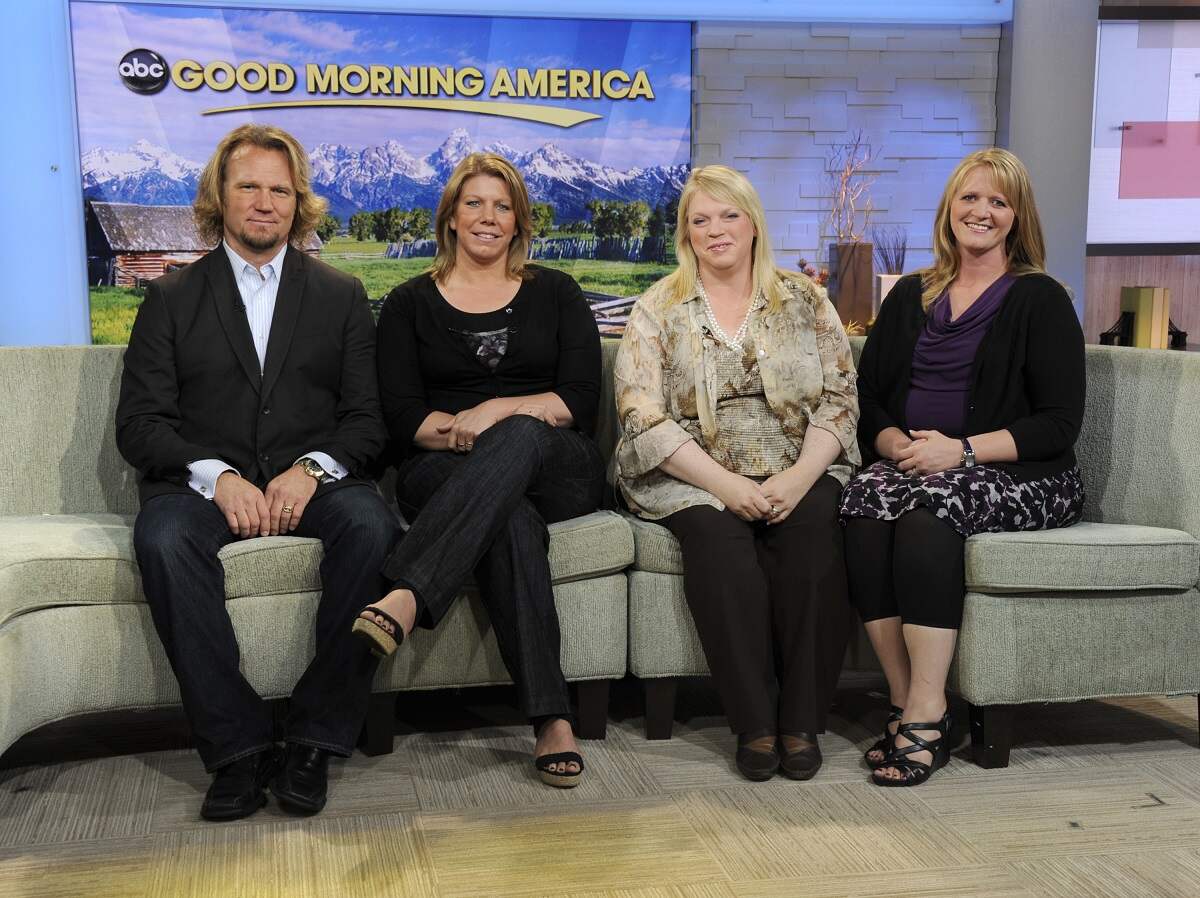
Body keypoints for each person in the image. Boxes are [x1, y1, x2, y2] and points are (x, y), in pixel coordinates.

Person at [116, 124, 399, 821]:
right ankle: (237, 749)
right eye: (249, 186)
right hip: (204, 490)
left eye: (281, 189)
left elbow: (368, 421)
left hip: (316, 483)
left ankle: (314, 738)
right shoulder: (170, 298)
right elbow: (141, 426)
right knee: (161, 539)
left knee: (371, 526)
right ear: (221, 195)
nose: (265, 202)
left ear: (298, 202)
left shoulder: (340, 294)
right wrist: (217, 475)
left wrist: (309, 469)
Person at [355, 152, 604, 789]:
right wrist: (469, 435)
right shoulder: (409, 304)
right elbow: (405, 416)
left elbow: (577, 400)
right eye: (475, 204)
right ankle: (552, 719)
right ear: (451, 218)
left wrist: (495, 412)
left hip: (558, 465)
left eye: (502, 206)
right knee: (508, 517)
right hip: (440, 464)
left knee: (520, 433)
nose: (488, 217)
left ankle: (409, 592)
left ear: (519, 221)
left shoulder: (557, 291)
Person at [841, 147, 1085, 787]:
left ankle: (927, 710)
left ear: (1017, 217)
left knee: (928, 516)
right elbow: (869, 397)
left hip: (1020, 472)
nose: (981, 211)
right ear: (949, 209)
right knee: (861, 510)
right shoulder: (910, 297)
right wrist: (892, 442)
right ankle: (907, 700)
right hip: (918, 460)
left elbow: (1059, 423)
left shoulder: (1040, 299)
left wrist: (963, 450)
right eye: (969, 198)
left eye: (998, 202)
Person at [614, 164, 859, 782]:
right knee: (722, 551)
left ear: (753, 224)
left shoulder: (806, 300)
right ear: (686, 234)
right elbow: (641, 414)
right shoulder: (658, 307)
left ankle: (801, 722)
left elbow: (840, 398)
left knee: (812, 545)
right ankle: (754, 724)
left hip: (797, 465)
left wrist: (803, 476)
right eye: (701, 220)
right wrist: (724, 487)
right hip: (691, 475)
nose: (716, 230)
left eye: (729, 216)